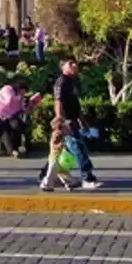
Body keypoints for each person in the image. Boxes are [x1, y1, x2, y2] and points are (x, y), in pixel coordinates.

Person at [41, 57, 100, 191]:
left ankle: (46, 177)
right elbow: (58, 101)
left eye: (75, 63)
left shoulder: (72, 82)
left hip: (73, 121)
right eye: (70, 63)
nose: (74, 65)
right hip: (67, 122)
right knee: (78, 149)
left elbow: (74, 103)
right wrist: (60, 119)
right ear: (63, 67)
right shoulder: (61, 82)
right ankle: (87, 178)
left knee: (62, 153)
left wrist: (82, 120)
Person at [0, 80, 37, 157]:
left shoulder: (19, 97)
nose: (24, 93)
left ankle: (17, 147)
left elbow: (23, 110)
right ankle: (12, 151)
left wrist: (30, 105)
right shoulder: (7, 89)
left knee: (17, 125)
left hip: (8, 117)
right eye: (23, 91)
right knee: (5, 129)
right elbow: (9, 100)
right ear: (19, 88)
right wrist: (20, 97)